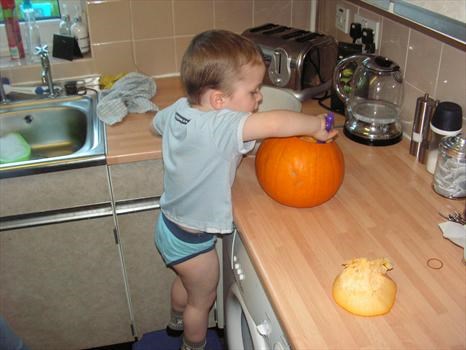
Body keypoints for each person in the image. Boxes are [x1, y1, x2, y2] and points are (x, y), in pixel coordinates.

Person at [152, 29, 337, 350]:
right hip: (194, 242)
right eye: (253, 91)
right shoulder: (221, 125)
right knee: (203, 298)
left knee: (185, 283)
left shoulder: (180, 109)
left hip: (168, 226)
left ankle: (175, 319)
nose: (259, 98)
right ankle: (192, 344)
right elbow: (276, 124)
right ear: (218, 100)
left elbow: (157, 124)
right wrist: (316, 127)